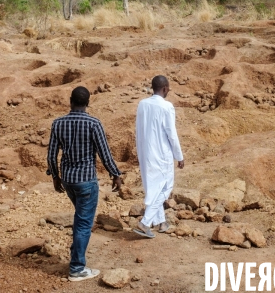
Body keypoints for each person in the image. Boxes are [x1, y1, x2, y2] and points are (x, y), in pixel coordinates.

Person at [46, 86, 122, 282]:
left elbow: (52, 154)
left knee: (80, 219)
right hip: (86, 180)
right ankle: (77, 268)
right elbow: (104, 153)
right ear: (88, 103)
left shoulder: (58, 123)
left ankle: (75, 256)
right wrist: (115, 174)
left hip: (68, 180)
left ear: (70, 101)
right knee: (83, 223)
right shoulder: (94, 123)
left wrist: (55, 176)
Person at [134, 75, 184, 238]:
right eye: (168, 88)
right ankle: (145, 222)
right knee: (164, 188)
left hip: (145, 152)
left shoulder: (142, 104)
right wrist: (179, 156)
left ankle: (161, 222)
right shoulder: (166, 107)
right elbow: (172, 134)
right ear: (164, 89)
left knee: (153, 188)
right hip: (162, 154)